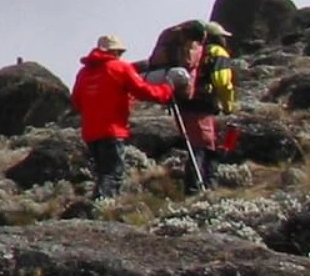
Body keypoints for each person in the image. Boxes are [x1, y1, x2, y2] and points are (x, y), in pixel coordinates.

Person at [73, 34, 174, 200]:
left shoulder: (84, 73)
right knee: (113, 174)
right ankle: (101, 207)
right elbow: (143, 91)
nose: (120, 56)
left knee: (103, 173)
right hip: (113, 130)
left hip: (91, 132)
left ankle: (98, 205)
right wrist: (167, 90)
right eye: (119, 52)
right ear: (114, 51)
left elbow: (77, 102)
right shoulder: (120, 68)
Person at [174, 23, 235, 192]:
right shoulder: (217, 52)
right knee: (204, 146)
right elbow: (222, 82)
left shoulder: (192, 53)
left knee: (198, 145)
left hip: (185, 104)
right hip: (204, 106)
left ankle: (198, 186)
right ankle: (198, 188)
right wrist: (228, 106)